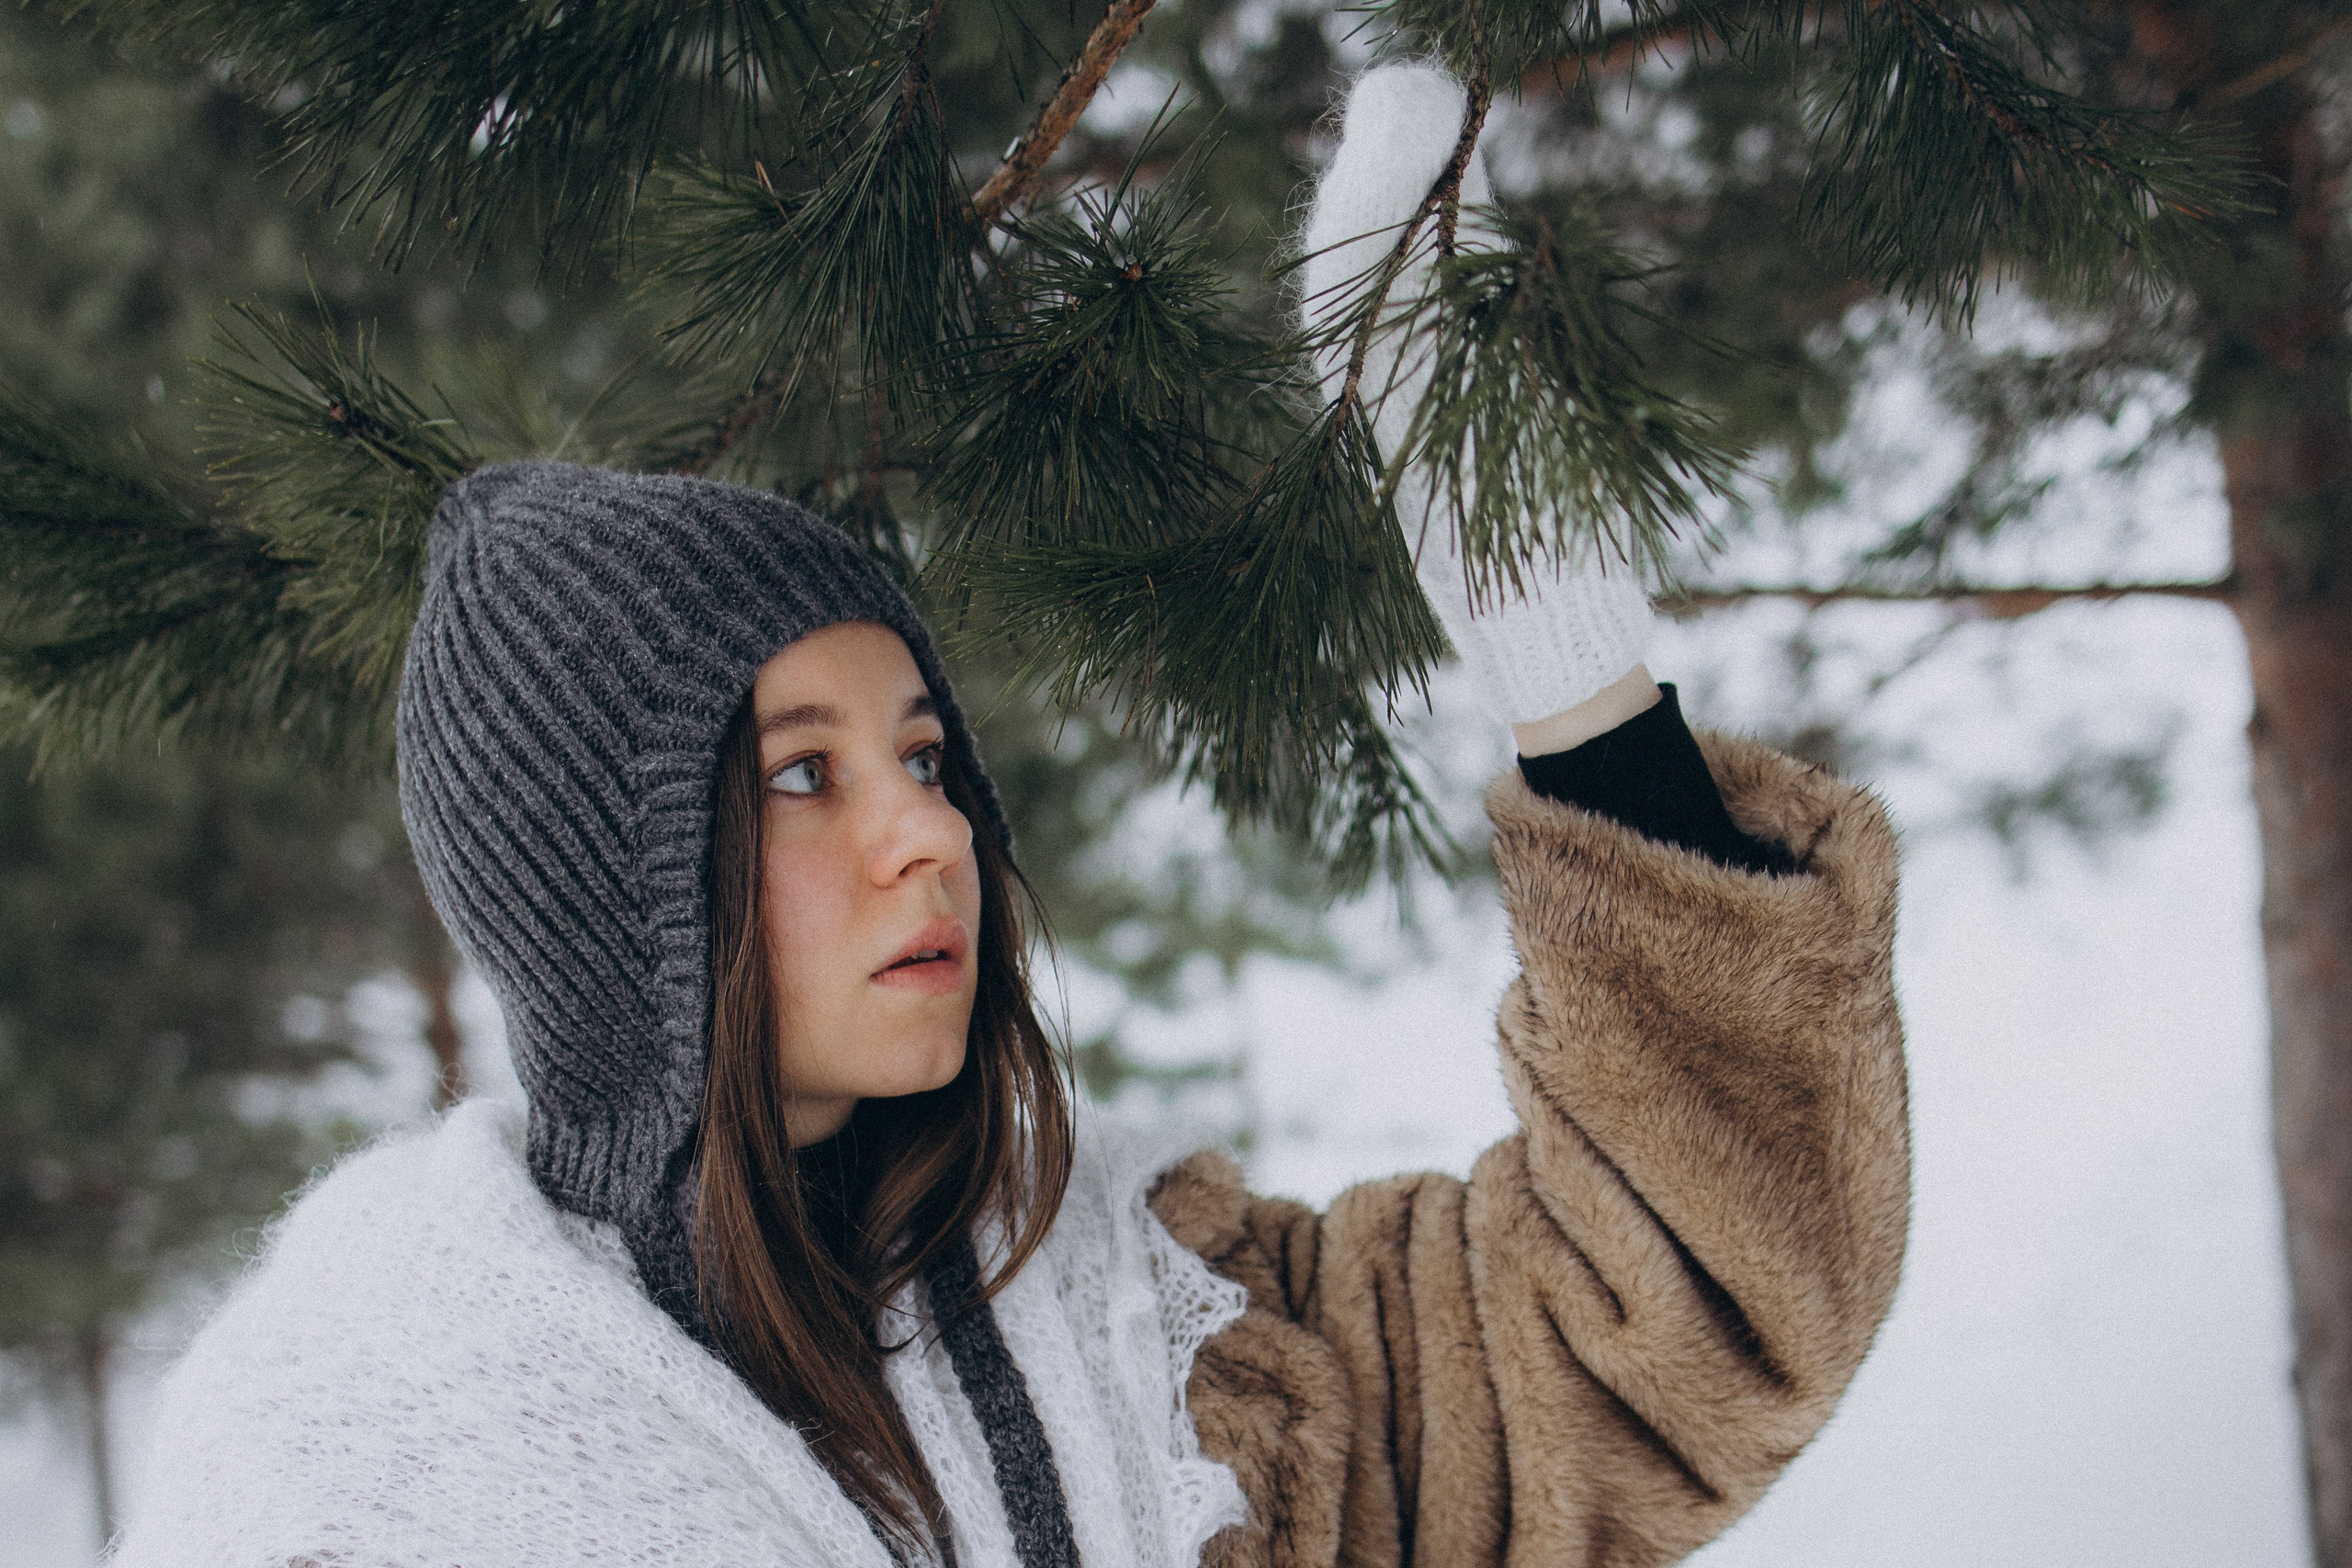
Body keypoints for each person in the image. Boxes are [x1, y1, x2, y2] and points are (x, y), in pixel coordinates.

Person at [105, 63, 1906, 1568]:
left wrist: (1568, 668)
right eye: (801, 773)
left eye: (926, 756)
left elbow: (1674, 1339)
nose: (932, 832)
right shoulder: (349, 1466)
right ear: (601, 894)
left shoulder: (1166, 1336)